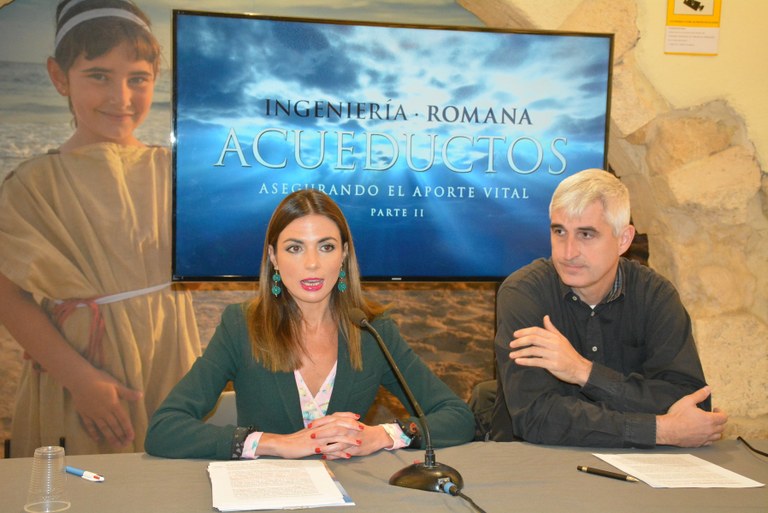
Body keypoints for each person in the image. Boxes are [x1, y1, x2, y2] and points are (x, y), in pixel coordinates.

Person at [0, 0, 201, 456]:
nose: (121, 97)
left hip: (168, 351)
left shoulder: (173, 170)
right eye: (98, 75)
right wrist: (78, 377)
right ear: (59, 77)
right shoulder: (34, 184)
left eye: (138, 79)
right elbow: (8, 295)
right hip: (81, 366)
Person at [145, 189, 475, 460]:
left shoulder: (372, 330)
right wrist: (275, 443)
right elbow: (164, 429)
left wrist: (383, 435)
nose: (313, 264)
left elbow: (457, 417)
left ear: (343, 255)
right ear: (273, 257)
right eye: (295, 248)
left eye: (326, 247)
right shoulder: (241, 326)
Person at [491, 168, 728, 448]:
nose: (568, 252)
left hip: (643, 465)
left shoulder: (655, 296)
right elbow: (537, 417)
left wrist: (584, 372)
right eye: (559, 232)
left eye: (586, 234)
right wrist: (659, 430)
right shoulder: (523, 294)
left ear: (623, 239)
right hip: (538, 461)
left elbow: (692, 402)